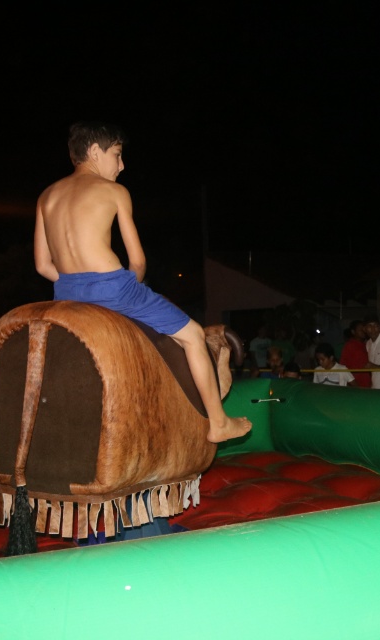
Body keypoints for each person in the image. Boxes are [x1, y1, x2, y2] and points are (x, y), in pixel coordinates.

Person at [34, 121, 250, 443]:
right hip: (114, 287)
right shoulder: (114, 191)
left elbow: (42, 265)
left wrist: (79, 285)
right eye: (117, 154)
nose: (122, 165)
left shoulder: (46, 196)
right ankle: (218, 422)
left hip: (65, 292)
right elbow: (137, 261)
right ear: (94, 151)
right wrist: (122, 287)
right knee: (193, 335)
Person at [340, 320, 371, 388]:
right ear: (353, 332)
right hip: (355, 384)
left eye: (364, 329)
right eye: (360, 330)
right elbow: (343, 366)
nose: (363, 331)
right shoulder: (349, 345)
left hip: (366, 382)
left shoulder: (367, 344)